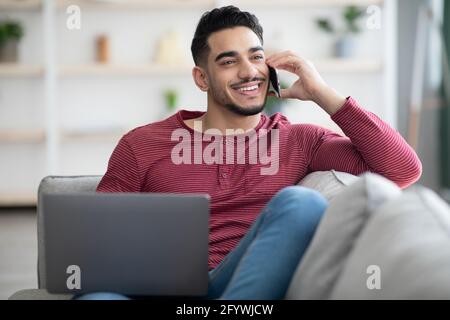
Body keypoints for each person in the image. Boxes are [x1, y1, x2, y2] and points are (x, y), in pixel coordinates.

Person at [77, 6, 422, 300]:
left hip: (243, 281)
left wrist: (321, 92)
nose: (248, 71)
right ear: (202, 78)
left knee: (303, 204)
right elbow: (97, 244)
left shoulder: (298, 140)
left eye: (256, 57)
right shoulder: (142, 144)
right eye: (229, 61)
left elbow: (401, 170)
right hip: (161, 284)